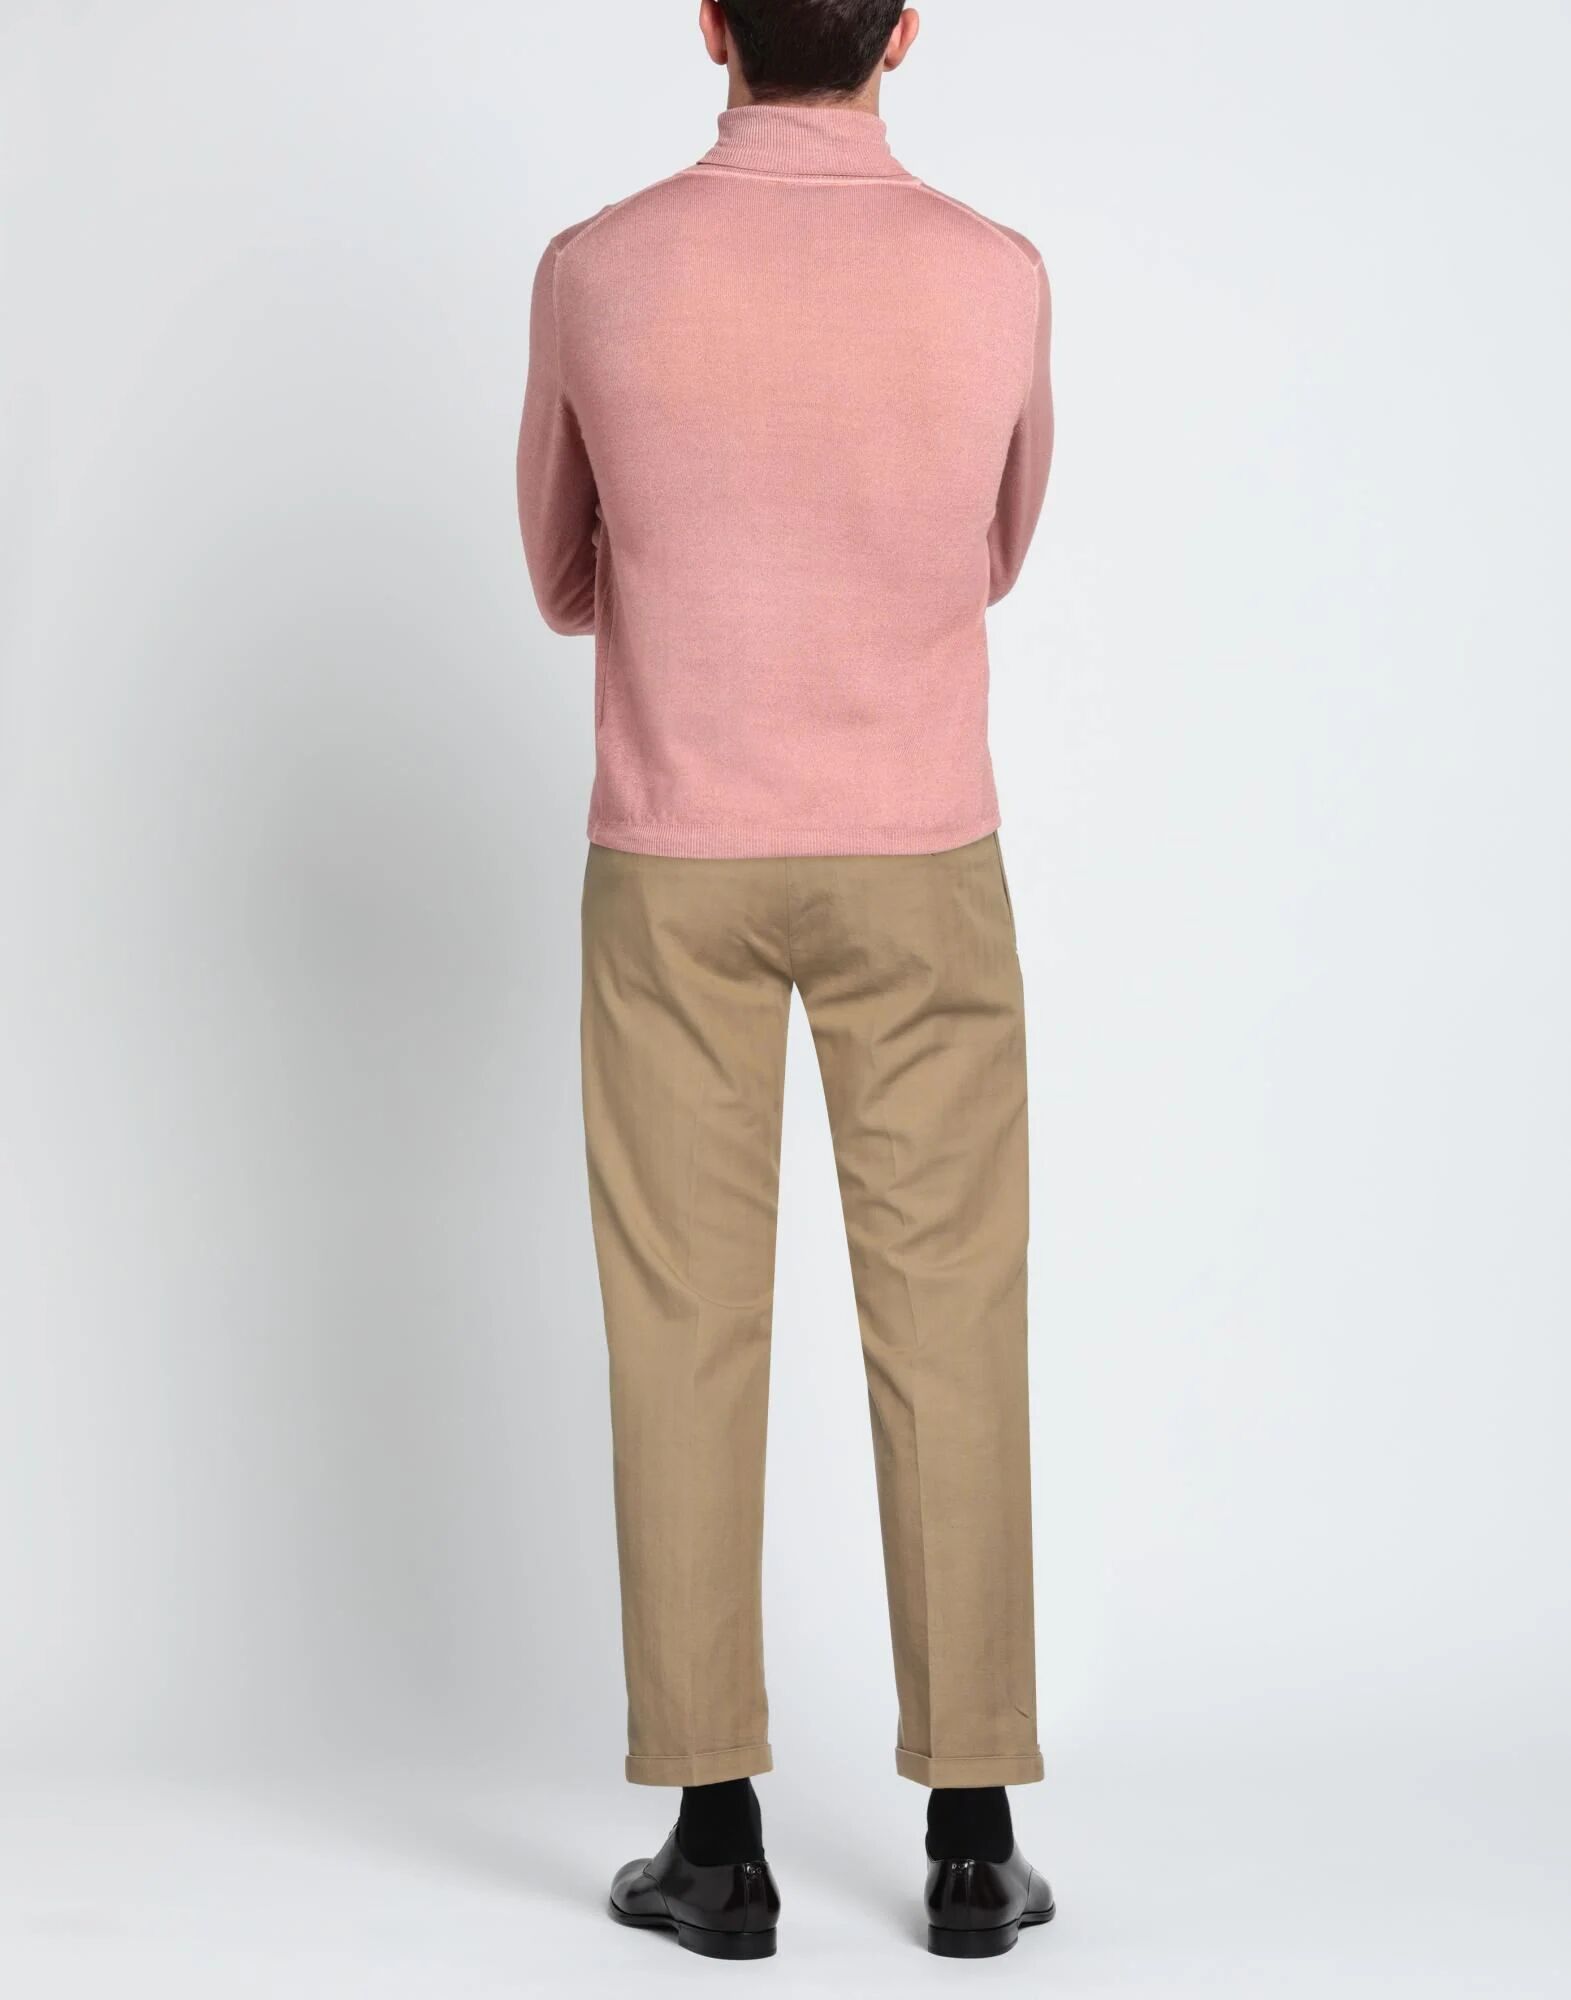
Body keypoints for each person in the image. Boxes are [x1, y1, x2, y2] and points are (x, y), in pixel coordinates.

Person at [518, 0, 1054, 1962]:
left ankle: (715, 1836)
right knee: (953, 1312)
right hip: (921, 850)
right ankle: (974, 1834)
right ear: (905, 32)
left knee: (682, 1322)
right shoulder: (997, 276)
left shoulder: (598, 271)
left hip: (676, 850)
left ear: (710, 24)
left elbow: (559, 572)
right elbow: (994, 548)